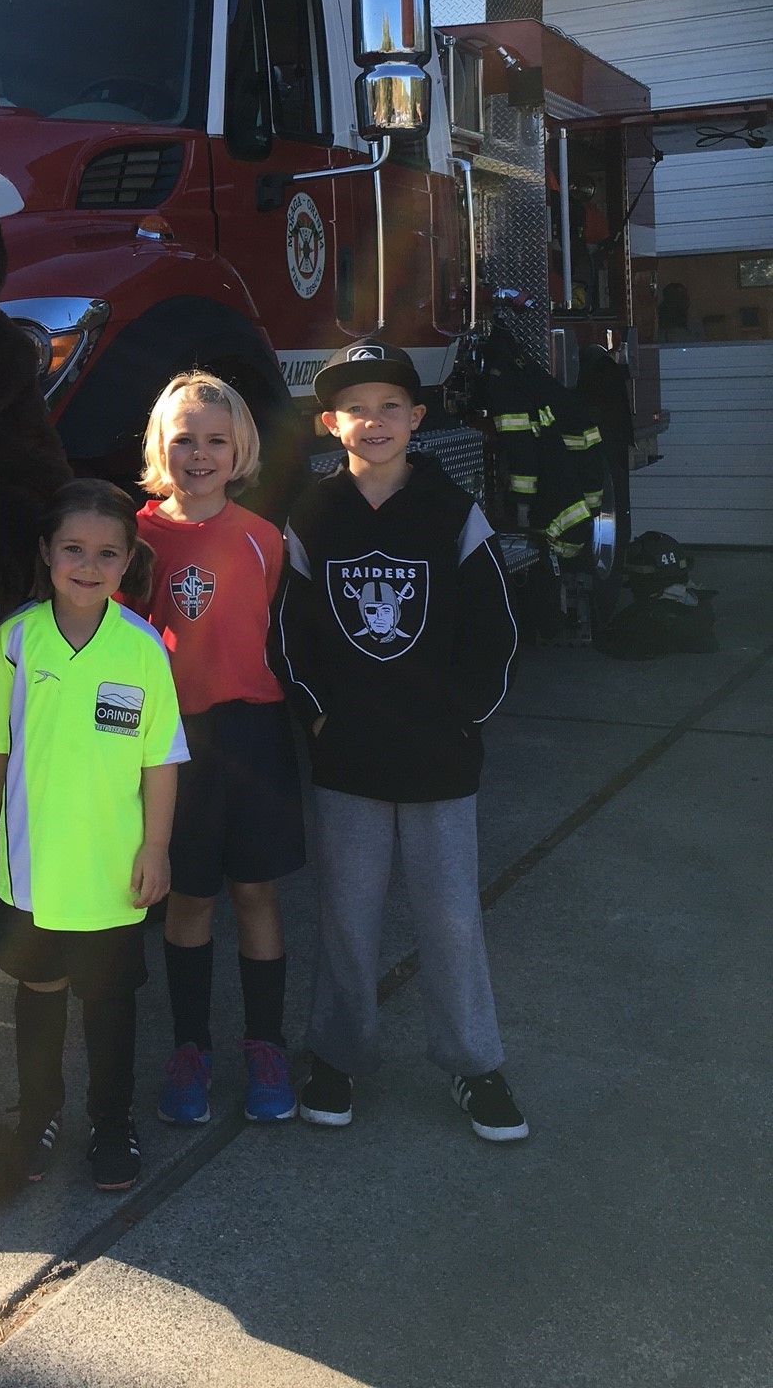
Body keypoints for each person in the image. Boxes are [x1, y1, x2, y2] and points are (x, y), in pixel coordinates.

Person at [280, 340, 528, 1143]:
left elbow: (496, 632)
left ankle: (475, 1064)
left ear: (417, 419)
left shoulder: (455, 513)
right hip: (347, 761)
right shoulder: (313, 516)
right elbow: (289, 636)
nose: (375, 420)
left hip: (438, 761)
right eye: (357, 407)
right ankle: (337, 1058)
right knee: (346, 917)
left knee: (452, 919)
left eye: (392, 405)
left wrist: (463, 717)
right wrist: (319, 715)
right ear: (331, 423)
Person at [0, 479, 187, 1193]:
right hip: (31, 866)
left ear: (128, 561)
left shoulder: (142, 648)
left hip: (110, 869)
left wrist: (155, 848)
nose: (88, 566)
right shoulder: (16, 639)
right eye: (73, 549)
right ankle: (38, 1115)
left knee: (108, 1001)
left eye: (106, 553)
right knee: (38, 990)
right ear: (46, 552)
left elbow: (162, 760)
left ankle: (111, 1119)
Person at [135, 373, 304, 1128]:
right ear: (159, 448)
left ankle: (265, 1046)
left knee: (257, 893)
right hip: (176, 744)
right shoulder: (136, 537)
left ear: (240, 449)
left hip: (254, 734)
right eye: (183, 440)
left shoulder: (265, 537)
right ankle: (190, 1048)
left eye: (214, 440)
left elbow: (279, 636)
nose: (199, 454)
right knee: (189, 897)